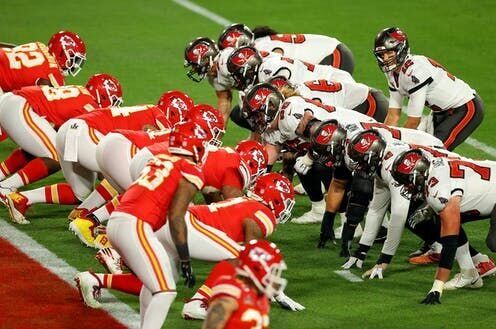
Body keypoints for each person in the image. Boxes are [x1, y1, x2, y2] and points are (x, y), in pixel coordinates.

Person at [107, 121, 209, 328]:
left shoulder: (159, 159)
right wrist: (185, 258)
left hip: (117, 221)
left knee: (153, 285)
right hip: (135, 225)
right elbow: (176, 217)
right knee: (166, 290)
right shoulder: (190, 170)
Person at [391, 149, 496, 303]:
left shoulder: (439, 192)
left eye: (407, 182)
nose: (406, 187)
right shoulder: (433, 164)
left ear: (418, 176)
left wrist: (436, 288)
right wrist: (429, 209)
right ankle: (469, 274)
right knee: (445, 218)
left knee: (494, 242)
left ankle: (469, 274)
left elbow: (450, 243)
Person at [374, 27, 483, 151]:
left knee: (431, 153)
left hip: (464, 107)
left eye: (389, 53)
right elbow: (393, 115)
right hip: (439, 112)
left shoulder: (415, 70)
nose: (386, 58)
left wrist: (394, 145)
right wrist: (385, 138)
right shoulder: (392, 73)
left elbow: (413, 122)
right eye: (382, 55)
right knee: (417, 149)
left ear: (401, 49)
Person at [202, 240, 287, 329]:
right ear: (257, 269)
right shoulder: (234, 290)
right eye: (272, 272)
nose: (274, 277)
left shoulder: (261, 298)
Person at [217, 23, 355, 73]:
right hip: (333, 52)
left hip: (332, 56)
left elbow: (282, 70)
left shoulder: (262, 48)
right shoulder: (259, 44)